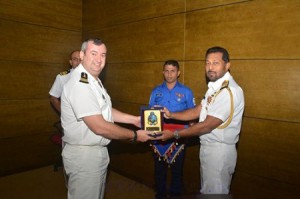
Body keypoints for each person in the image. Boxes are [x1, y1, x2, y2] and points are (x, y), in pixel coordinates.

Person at [60, 38, 155, 199]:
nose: (99, 59)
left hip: (93, 153)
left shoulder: (92, 80)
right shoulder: (80, 84)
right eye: (94, 53)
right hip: (85, 157)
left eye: (103, 55)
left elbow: (104, 110)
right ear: (82, 55)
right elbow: (99, 126)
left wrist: (134, 120)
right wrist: (134, 136)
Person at [159, 46, 245, 194]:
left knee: (215, 194)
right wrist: (171, 115)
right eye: (207, 63)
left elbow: (206, 126)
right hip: (209, 149)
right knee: (208, 192)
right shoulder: (215, 88)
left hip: (219, 152)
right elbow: (198, 111)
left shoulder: (228, 91)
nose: (210, 67)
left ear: (227, 65)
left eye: (215, 63)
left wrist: (174, 134)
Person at [148, 60, 195, 198]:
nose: (169, 74)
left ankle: (175, 195)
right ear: (163, 72)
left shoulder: (186, 91)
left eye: (172, 71)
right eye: (167, 71)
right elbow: (150, 113)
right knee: (159, 170)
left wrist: (192, 127)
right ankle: (160, 195)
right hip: (159, 136)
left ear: (178, 73)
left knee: (177, 170)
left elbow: (192, 114)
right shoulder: (156, 91)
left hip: (178, 136)